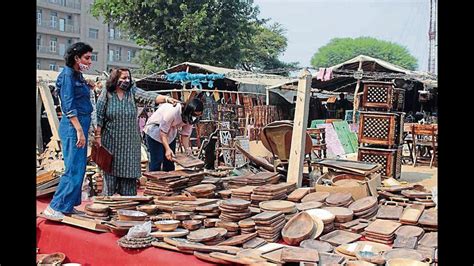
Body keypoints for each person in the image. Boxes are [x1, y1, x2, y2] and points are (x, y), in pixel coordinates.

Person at [95, 68, 179, 196]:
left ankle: (128, 212)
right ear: (115, 79)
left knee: (129, 181)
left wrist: (166, 99)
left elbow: (148, 96)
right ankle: (108, 208)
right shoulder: (107, 93)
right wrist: (98, 137)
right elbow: (99, 115)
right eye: (123, 78)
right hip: (110, 142)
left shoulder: (132, 92)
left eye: (128, 78)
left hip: (130, 146)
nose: (126, 81)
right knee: (110, 179)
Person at [43, 42, 94, 220]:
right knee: (72, 167)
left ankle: (68, 205)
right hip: (74, 125)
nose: (90, 61)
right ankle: (55, 206)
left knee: (79, 167)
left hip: (82, 123)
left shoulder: (77, 75)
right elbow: (68, 105)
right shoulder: (67, 76)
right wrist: (79, 130)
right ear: (76, 58)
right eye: (86, 58)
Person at [144, 98, 204, 172]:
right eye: (194, 114)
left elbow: (185, 135)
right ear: (189, 111)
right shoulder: (173, 111)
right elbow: (163, 133)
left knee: (170, 161)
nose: (195, 117)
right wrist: (167, 149)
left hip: (170, 133)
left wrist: (187, 150)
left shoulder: (191, 118)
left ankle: (169, 181)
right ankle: (155, 181)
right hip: (155, 131)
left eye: (198, 115)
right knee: (157, 160)